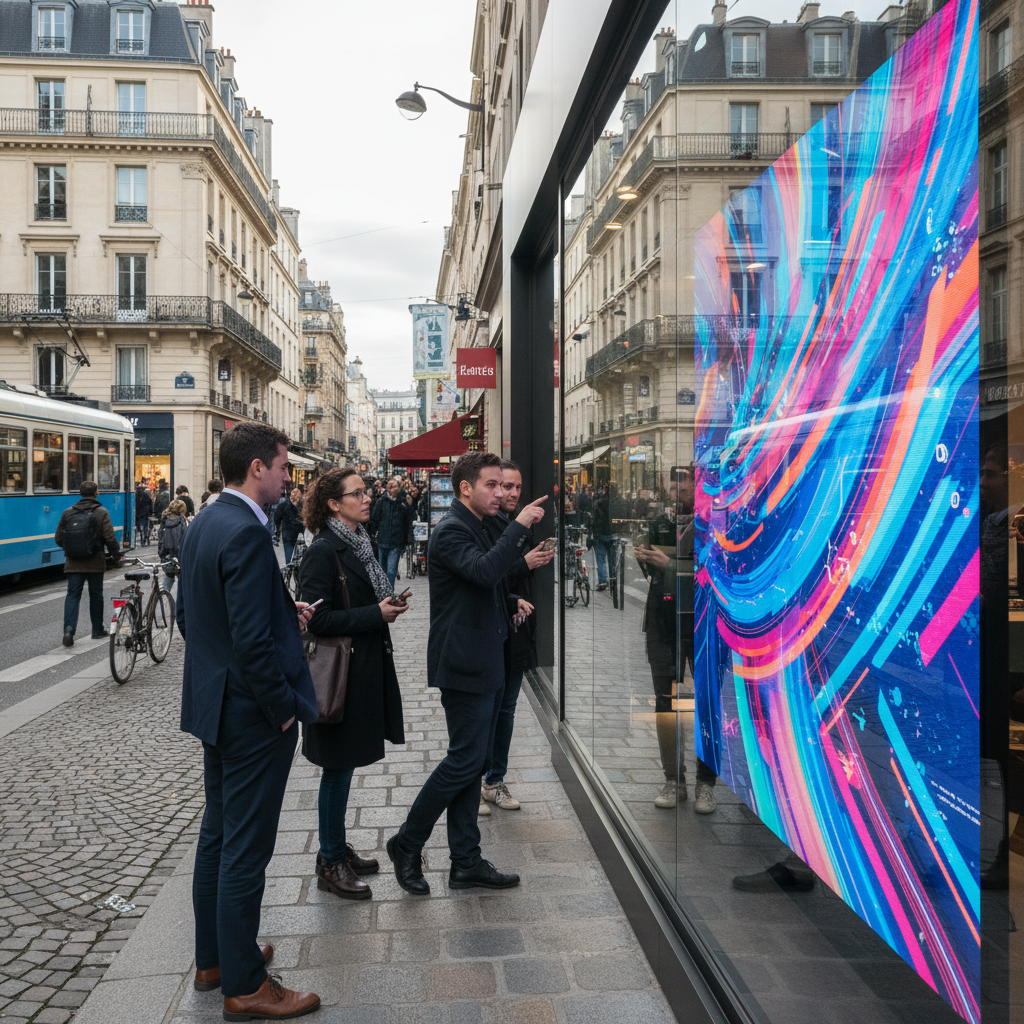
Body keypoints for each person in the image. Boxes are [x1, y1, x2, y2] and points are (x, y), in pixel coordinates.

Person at [175, 422, 321, 1021]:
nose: (289, 476)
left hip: (216, 703)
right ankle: (244, 982)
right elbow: (251, 640)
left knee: (218, 834)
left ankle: (214, 957)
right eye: (284, 466)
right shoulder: (245, 531)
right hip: (251, 715)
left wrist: (286, 612)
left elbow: (192, 614)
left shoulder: (207, 521)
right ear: (258, 467)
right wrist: (281, 707)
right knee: (246, 847)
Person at [387, 451, 547, 895]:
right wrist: (519, 528)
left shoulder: (475, 525)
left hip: (484, 653)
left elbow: (485, 583)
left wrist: (508, 603)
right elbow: (481, 571)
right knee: (463, 761)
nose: (501, 493)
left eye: (503, 485)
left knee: (471, 762)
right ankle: (407, 841)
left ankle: (466, 861)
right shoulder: (452, 529)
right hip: (463, 661)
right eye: (492, 485)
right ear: (465, 488)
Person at [299, 468, 408, 900]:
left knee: (342, 766)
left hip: (361, 668)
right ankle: (329, 860)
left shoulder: (358, 543)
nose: (367, 498)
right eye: (357, 493)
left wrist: (384, 605)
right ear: (332, 503)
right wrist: (373, 615)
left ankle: (336, 846)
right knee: (336, 769)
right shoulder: (324, 550)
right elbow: (316, 619)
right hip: (339, 675)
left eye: (366, 491)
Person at [479, 460, 554, 815]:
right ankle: (473, 783)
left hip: (518, 627)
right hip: (492, 631)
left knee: (506, 709)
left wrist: (534, 562)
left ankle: (494, 781)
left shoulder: (518, 526)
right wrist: (525, 565)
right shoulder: (485, 526)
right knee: (486, 711)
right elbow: (486, 576)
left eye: (515, 488)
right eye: (504, 486)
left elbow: (513, 577)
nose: (509, 493)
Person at [55, 480, 124, 647]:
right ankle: (97, 629)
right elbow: (109, 538)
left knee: (72, 595)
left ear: (80, 493)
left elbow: (58, 538)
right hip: (95, 562)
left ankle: (69, 630)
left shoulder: (68, 513)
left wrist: (73, 548)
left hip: (73, 563)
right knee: (96, 595)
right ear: (96, 494)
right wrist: (116, 556)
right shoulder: (101, 512)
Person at [370, 477, 412, 589]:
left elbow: (409, 519)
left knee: (391, 571)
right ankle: (382, 594)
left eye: (396, 486)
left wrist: (409, 505)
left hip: (396, 541)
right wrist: (372, 534)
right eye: (392, 487)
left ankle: (389, 594)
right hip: (382, 540)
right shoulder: (381, 502)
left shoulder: (403, 502)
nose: (394, 489)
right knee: (382, 571)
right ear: (388, 488)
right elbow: (374, 518)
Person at [274, 487, 305, 564]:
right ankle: (292, 568)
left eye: (296, 492)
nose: (295, 494)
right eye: (293, 492)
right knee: (292, 555)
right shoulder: (285, 505)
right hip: (291, 532)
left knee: (295, 556)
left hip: (295, 533)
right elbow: (277, 517)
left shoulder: (302, 505)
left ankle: (293, 568)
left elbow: (277, 518)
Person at [158, 499, 189, 564]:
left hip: (166, 558)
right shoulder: (183, 522)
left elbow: (160, 539)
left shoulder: (164, 521)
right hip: (181, 558)